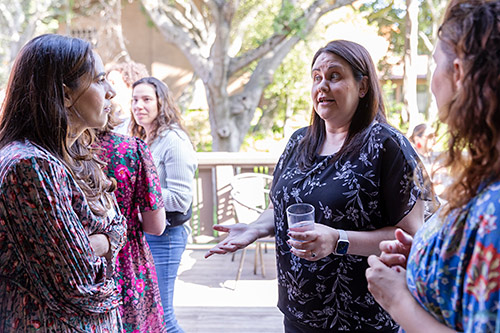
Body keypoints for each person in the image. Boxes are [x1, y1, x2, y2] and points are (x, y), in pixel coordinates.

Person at [205, 39, 436, 332]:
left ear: (363, 87)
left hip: (361, 319)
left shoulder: (388, 146)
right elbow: (279, 205)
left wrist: (339, 239)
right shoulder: (299, 142)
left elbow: (411, 236)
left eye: (334, 76)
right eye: (316, 77)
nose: (322, 86)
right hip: (298, 314)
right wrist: (255, 228)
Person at [366, 1, 500, 332]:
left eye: (435, 63)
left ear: (458, 72)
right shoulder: (487, 170)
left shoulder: (496, 206)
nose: (433, 77)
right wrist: (432, 258)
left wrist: (397, 301)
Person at [0, 34, 126, 331]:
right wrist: (108, 241)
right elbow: (79, 277)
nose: (111, 92)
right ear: (65, 95)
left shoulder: (73, 154)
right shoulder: (31, 166)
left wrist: (103, 241)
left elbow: (117, 226)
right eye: (99, 80)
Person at [130, 76, 198, 333]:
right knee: (150, 313)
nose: (139, 105)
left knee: (163, 316)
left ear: (161, 102)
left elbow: (181, 198)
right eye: (135, 100)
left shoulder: (173, 140)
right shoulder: (147, 138)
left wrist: (140, 197)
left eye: (146, 99)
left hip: (167, 236)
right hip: (148, 233)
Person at [97, 107, 168, 331]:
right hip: (125, 263)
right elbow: (156, 226)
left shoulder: (53, 152)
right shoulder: (130, 149)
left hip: (72, 263)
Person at [106, 60, 149, 135]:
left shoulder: (142, 121)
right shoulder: (108, 120)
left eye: (113, 83)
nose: (109, 88)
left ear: (130, 85)